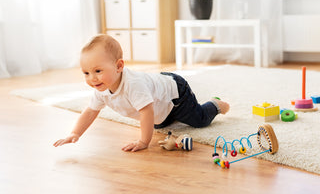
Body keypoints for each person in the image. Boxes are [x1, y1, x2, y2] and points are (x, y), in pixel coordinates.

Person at [54, 34, 230, 152]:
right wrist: (75, 133)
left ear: (119, 66)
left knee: (199, 120)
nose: (92, 78)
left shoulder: (133, 85)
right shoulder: (101, 88)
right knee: (160, 123)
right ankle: (170, 115)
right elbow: (90, 111)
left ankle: (215, 105)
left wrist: (144, 142)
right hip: (158, 97)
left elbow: (146, 111)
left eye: (98, 71)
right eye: (86, 73)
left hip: (175, 94)